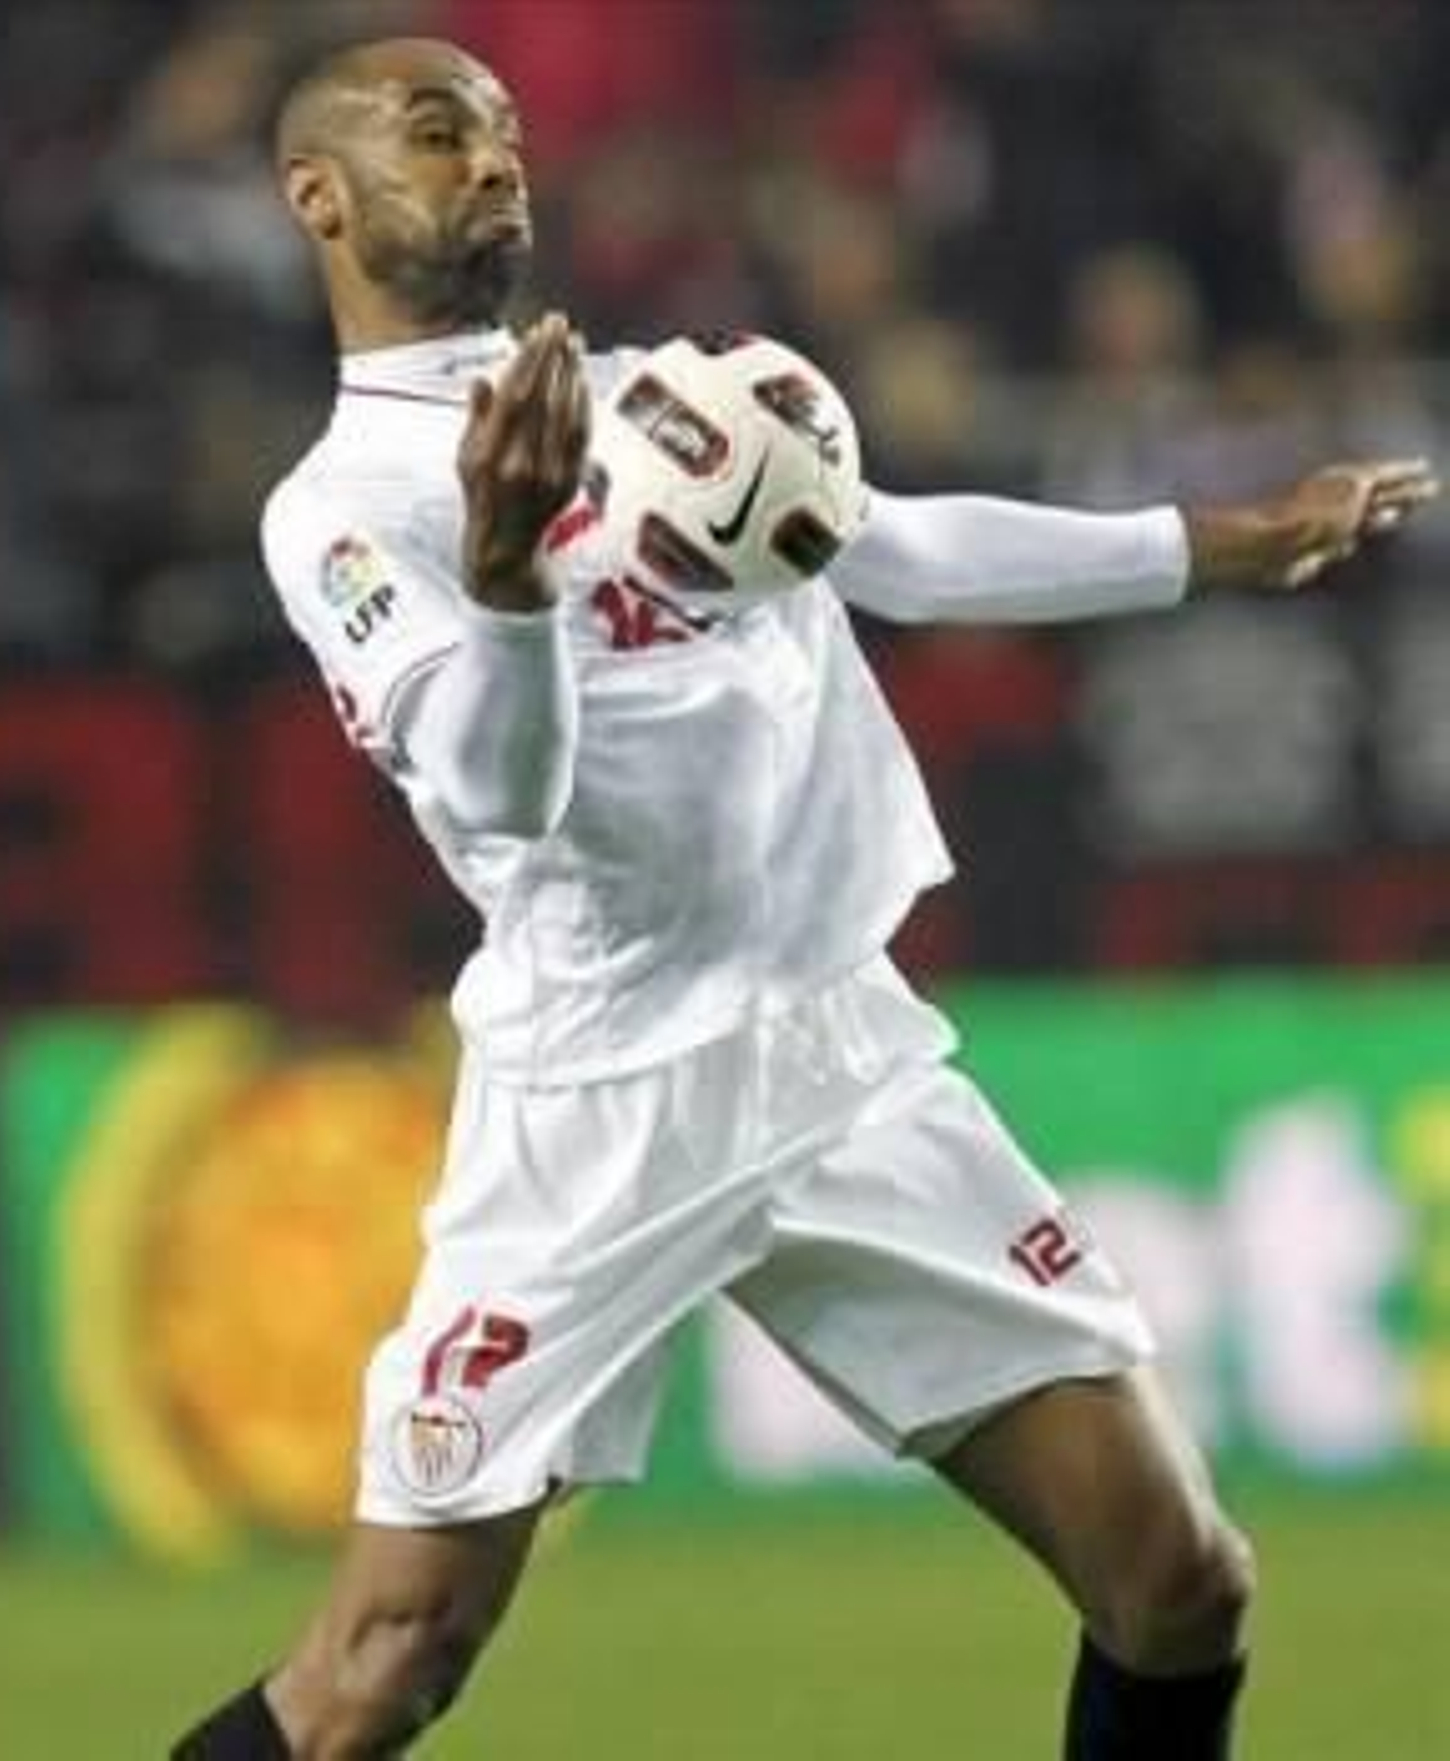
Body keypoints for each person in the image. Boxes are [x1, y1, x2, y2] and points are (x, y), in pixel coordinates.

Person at [172, 37, 1438, 1761]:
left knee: (1181, 1579)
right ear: (316, 196)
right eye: (437, 128)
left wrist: (1220, 539)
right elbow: (496, 793)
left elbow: (895, 546)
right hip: (601, 1104)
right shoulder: (340, 512)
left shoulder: (665, 402)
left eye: (505, 128)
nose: (490, 158)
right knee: (378, 1673)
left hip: (840, 1057)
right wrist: (511, 581)